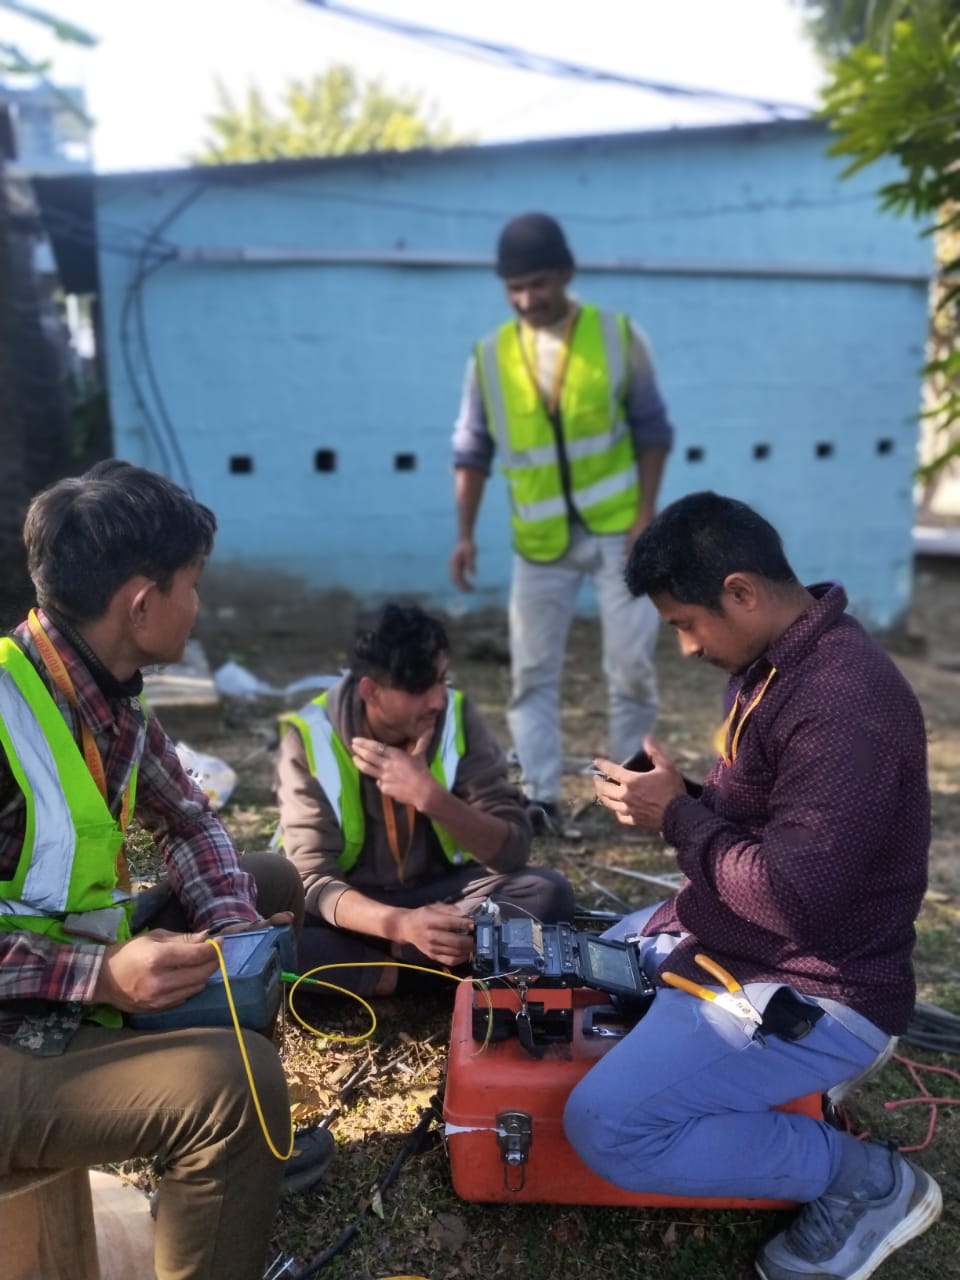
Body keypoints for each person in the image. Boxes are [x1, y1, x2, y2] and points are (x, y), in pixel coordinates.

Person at [563, 491, 941, 1280]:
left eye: (686, 624)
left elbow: (796, 897)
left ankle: (866, 1184)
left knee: (606, 1126)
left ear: (741, 591)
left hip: (821, 984)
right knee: (595, 963)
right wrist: (684, 801)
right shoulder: (777, 667)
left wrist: (679, 820)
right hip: (745, 942)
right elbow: (766, 824)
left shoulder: (842, 704)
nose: (688, 648)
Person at [0, 461, 332, 1280]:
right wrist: (101, 978)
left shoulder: (102, 690)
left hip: (59, 978)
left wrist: (234, 928)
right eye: (194, 583)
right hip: (20, 1022)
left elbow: (186, 818)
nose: (201, 604)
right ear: (142, 604)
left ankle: (225, 1172)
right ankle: (223, 1135)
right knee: (233, 1085)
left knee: (268, 885)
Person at [449, 211, 675, 837]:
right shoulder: (488, 356)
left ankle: (629, 794)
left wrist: (645, 517)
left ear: (567, 274)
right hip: (539, 542)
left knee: (630, 666)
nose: (528, 299)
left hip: (617, 534)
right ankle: (540, 796)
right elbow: (471, 451)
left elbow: (653, 431)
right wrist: (465, 534)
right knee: (531, 673)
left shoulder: (619, 336)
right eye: (514, 288)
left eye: (539, 284)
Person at [275, 602, 575, 995]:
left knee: (547, 892)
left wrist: (430, 796)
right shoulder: (310, 737)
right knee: (280, 942)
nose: (436, 700)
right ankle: (446, 967)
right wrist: (400, 924)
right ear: (371, 691)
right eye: (419, 688)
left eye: (440, 680)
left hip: (449, 896)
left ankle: (396, 971)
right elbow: (313, 880)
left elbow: (512, 852)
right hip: (361, 911)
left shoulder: (456, 717)